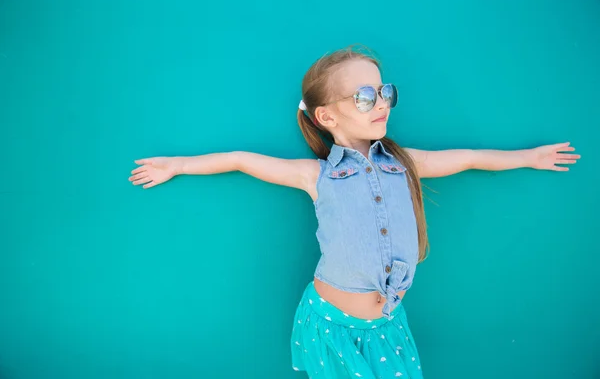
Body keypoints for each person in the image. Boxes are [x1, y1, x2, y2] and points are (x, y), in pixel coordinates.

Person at [128, 46, 580, 378]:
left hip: (388, 325)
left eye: (384, 91)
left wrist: (528, 156)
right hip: (332, 325)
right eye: (365, 97)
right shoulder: (317, 175)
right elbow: (243, 160)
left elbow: (466, 158)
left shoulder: (404, 164)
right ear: (327, 116)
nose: (381, 102)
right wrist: (178, 166)